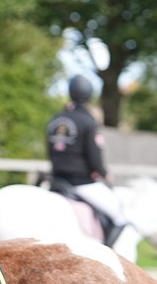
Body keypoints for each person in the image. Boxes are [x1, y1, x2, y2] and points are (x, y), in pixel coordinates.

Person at [46, 75, 128, 244]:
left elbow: (50, 151)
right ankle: (109, 251)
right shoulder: (88, 121)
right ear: (89, 94)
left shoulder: (55, 120)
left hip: (57, 179)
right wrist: (104, 173)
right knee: (119, 215)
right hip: (80, 182)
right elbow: (93, 156)